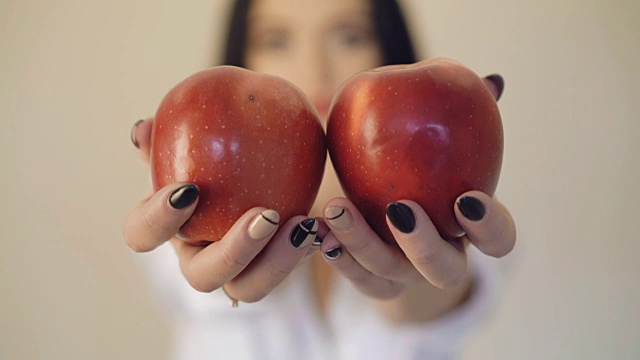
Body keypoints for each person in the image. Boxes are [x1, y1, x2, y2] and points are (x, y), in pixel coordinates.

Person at [124, 0, 516, 358]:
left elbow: (441, 303)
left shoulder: (459, 207)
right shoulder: (180, 200)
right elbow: (188, 283)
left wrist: (419, 278)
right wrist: (205, 235)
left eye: (349, 36)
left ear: (386, 48)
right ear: (242, 55)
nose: (315, 68)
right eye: (276, 40)